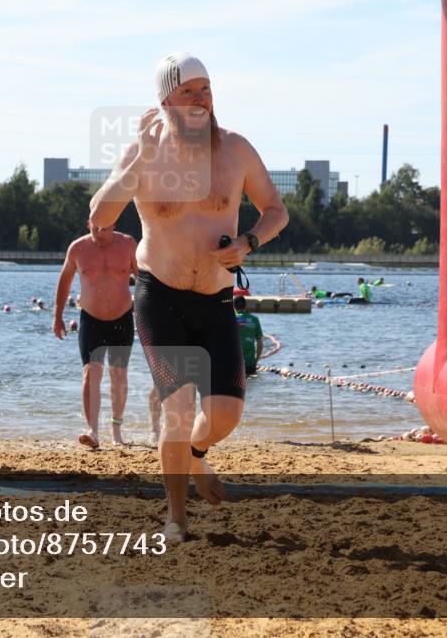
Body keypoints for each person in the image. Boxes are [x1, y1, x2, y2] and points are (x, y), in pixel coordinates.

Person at [89, 52, 289, 543]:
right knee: (176, 408)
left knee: (224, 414)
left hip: (217, 301)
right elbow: (99, 217)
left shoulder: (236, 150)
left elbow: (276, 209)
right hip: (160, 297)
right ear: (165, 102)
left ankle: (198, 456)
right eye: (188, 91)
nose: (201, 98)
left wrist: (248, 243)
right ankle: (176, 518)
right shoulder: (145, 153)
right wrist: (136, 161)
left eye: (206, 89)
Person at [53, 220, 138, 449]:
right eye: (96, 228)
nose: (101, 233)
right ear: (88, 223)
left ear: (115, 223)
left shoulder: (128, 244)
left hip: (122, 318)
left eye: (107, 228)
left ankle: (117, 431)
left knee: (119, 375)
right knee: (91, 374)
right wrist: (58, 316)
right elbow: (65, 280)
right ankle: (92, 430)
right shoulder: (78, 248)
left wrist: (149, 312)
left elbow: (145, 279)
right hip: (91, 319)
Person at [233, 296, 263, 376]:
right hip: (250, 363)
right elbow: (260, 345)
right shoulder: (254, 319)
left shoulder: (230, 320)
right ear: (245, 306)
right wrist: (255, 361)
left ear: (233, 306)